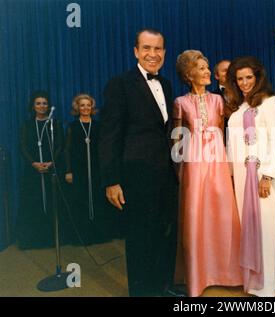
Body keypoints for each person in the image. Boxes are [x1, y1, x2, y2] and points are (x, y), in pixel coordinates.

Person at [99, 28, 181, 297]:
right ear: (136, 51)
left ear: (164, 53)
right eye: (146, 48)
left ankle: (163, 287)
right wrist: (111, 180)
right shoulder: (119, 84)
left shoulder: (167, 84)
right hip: (135, 176)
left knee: (164, 235)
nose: (152, 54)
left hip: (164, 175)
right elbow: (109, 135)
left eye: (158, 49)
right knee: (139, 239)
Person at [226, 56, 275, 297]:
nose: (245, 83)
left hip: (261, 176)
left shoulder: (270, 102)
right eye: (239, 79)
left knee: (265, 230)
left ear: (258, 77)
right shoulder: (239, 107)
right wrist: (229, 171)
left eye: (249, 77)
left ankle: (267, 287)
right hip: (240, 176)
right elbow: (232, 143)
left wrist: (267, 175)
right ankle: (251, 282)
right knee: (247, 229)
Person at [173, 50, 242, 297]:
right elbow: (177, 141)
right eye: (201, 68)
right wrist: (180, 173)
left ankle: (229, 272)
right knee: (197, 216)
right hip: (194, 165)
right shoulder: (180, 103)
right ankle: (198, 276)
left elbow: (230, 129)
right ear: (189, 74)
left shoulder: (219, 101)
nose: (206, 72)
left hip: (218, 161)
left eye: (207, 67)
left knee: (223, 212)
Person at [64, 94, 116, 245]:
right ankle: (82, 236)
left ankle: (98, 235)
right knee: (81, 200)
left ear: (92, 108)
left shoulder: (99, 126)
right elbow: (68, 150)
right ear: (77, 108)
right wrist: (69, 170)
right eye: (82, 105)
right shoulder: (73, 127)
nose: (85, 108)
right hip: (79, 170)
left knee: (98, 200)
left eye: (88, 105)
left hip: (96, 169)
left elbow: (105, 149)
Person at [17, 90, 65, 249]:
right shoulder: (27, 124)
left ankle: (52, 238)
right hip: (33, 171)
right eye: (38, 103)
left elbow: (59, 145)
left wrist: (51, 162)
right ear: (33, 106)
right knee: (34, 202)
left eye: (44, 103)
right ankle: (34, 239)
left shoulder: (54, 124)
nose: (42, 106)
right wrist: (34, 163)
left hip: (51, 168)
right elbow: (22, 146)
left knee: (52, 202)